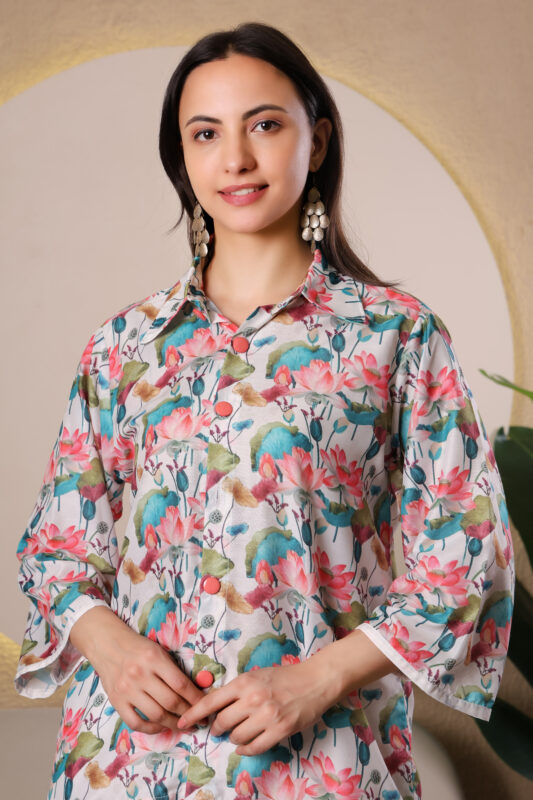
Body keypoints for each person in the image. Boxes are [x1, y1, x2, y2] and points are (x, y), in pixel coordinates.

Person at [14, 21, 515, 800]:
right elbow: (57, 549)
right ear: (181, 157)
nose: (235, 159)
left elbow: (465, 556)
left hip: (322, 765)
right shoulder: (123, 346)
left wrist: (318, 678)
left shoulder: (395, 335)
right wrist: (110, 648)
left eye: (265, 125)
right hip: (127, 766)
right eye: (205, 133)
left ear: (317, 140)